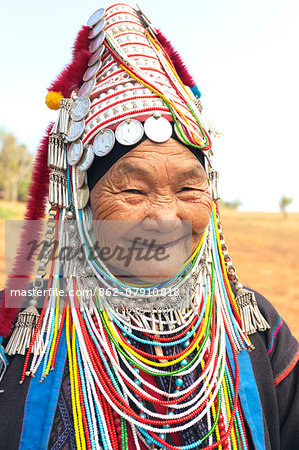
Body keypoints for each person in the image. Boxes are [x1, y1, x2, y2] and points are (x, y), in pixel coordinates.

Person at [0, 3, 298, 449]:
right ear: (83, 205)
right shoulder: (19, 330)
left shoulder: (256, 328)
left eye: (189, 190)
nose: (164, 218)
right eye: (133, 192)